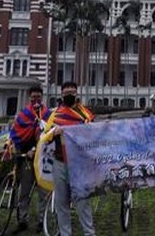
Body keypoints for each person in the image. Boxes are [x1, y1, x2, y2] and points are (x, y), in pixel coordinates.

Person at [45, 81, 95, 236]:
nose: (69, 95)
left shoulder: (86, 114)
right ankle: (65, 233)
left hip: (79, 164)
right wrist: (54, 132)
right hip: (60, 162)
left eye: (72, 92)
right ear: (61, 95)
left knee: (82, 201)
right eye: (66, 93)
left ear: (77, 94)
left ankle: (89, 232)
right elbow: (45, 137)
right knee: (61, 202)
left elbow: (94, 135)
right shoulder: (55, 115)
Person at [9, 85, 51, 234]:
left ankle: (42, 220)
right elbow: (16, 132)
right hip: (27, 157)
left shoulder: (47, 115)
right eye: (33, 97)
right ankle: (22, 220)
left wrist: (37, 149)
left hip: (42, 158)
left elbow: (49, 136)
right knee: (24, 190)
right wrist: (22, 150)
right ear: (29, 98)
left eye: (38, 97)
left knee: (43, 191)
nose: (35, 100)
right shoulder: (23, 114)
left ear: (42, 97)